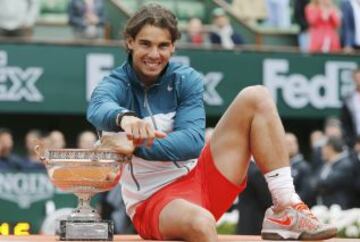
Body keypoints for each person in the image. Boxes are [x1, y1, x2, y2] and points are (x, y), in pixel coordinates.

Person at [87, 4, 337, 241]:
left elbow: (192, 142)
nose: (154, 54)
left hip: (202, 178)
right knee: (201, 223)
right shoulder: (115, 83)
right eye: (145, 44)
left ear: (173, 47)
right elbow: (98, 107)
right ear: (129, 42)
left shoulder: (186, 79)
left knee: (256, 96)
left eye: (163, 45)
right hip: (152, 201)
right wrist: (125, 118)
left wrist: (134, 145)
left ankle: (286, 206)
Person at [341, 68, 360, 149]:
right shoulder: (349, 99)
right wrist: (353, 143)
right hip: (355, 141)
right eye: (357, 78)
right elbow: (346, 123)